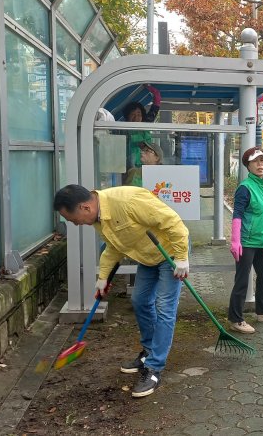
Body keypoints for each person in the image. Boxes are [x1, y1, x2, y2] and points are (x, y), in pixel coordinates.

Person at [53, 184, 189, 399]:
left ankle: (154, 368)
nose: (74, 223)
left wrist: (181, 257)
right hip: (147, 257)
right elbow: (114, 247)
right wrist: (103, 278)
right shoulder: (99, 218)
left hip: (169, 254)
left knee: (164, 308)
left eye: (72, 219)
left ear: (84, 207)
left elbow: (173, 222)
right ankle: (148, 352)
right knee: (140, 301)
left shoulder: (128, 201)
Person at [229, 147, 263, 334]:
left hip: (262, 240)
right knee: (242, 280)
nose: (261, 165)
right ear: (248, 165)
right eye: (256, 162)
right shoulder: (245, 188)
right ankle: (236, 319)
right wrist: (235, 241)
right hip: (246, 241)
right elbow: (237, 215)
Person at [123, 84, 162, 169]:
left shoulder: (146, 122)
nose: (136, 117)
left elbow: (157, 98)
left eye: (138, 114)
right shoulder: (122, 128)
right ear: (127, 116)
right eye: (132, 114)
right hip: (128, 166)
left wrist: (147, 86)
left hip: (147, 164)